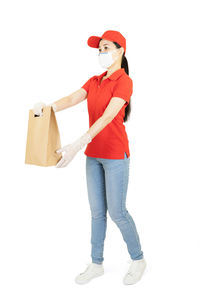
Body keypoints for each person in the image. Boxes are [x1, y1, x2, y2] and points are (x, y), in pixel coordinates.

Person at [33, 30, 146, 285]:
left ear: (120, 51)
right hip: (93, 156)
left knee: (118, 212)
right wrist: (48, 107)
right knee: (97, 213)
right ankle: (96, 264)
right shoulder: (94, 80)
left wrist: (77, 144)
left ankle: (138, 259)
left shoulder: (124, 81)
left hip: (116, 155)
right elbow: (74, 98)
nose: (102, 53)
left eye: (106, 48)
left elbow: (107, 117)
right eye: (99, 50)